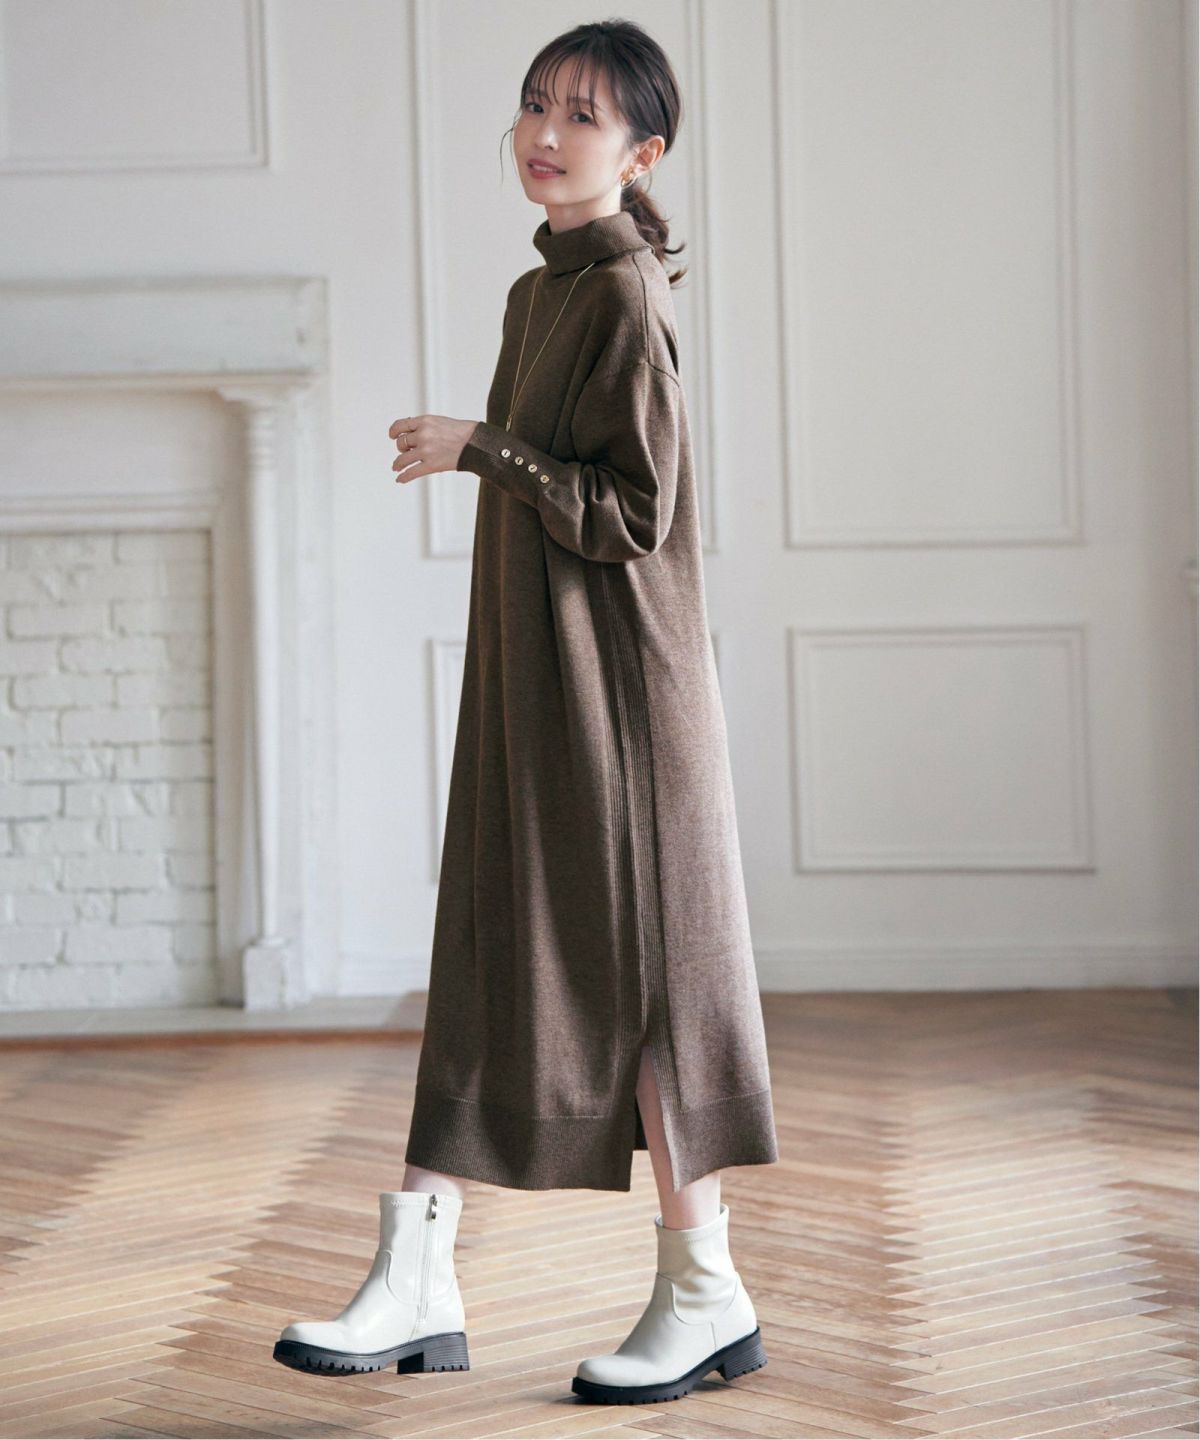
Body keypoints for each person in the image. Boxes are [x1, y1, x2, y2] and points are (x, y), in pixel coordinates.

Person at [274, 19, 779, 1406]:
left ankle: (704, 1292)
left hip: (623, 700)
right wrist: (487, 454)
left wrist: (477, 447)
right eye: (534, 106)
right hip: (542, 681)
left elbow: (634, 514)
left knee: (646, 987)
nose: (546, 135)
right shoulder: (537, 290)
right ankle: (419, 1273)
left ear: (642, 153)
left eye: (583, 117)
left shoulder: (622, 295)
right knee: (495, 941)